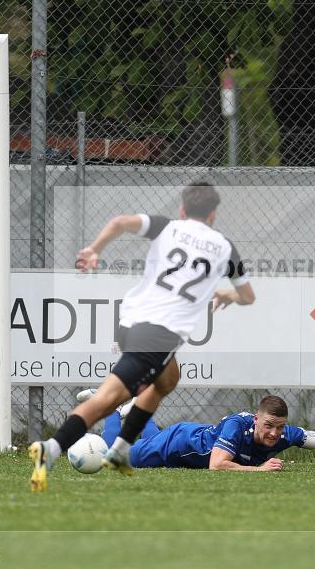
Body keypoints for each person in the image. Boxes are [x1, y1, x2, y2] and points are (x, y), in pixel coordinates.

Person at [29, 182, 255, 492]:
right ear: (214, 215)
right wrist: (229, 295)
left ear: (182, 210)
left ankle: (121, 451)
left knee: (168, 379)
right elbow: (248, 296)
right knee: (107, 400)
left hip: (131, 321)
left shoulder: (167, 227)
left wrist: (94, 250)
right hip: (157, 336)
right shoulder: (226, 248)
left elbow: (119, 222)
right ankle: (50, 449)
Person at [83, 393, 315, 473]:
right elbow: (216, 465)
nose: (274, 433)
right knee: (115, 458)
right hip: (179, 443)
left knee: (149, 439)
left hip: (185, 436)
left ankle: (133, 410)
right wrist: (260, 469)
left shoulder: (287, 434)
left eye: (279, 427)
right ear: (256, 420)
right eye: (268, 426)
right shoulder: (237, 426)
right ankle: (107, 405)